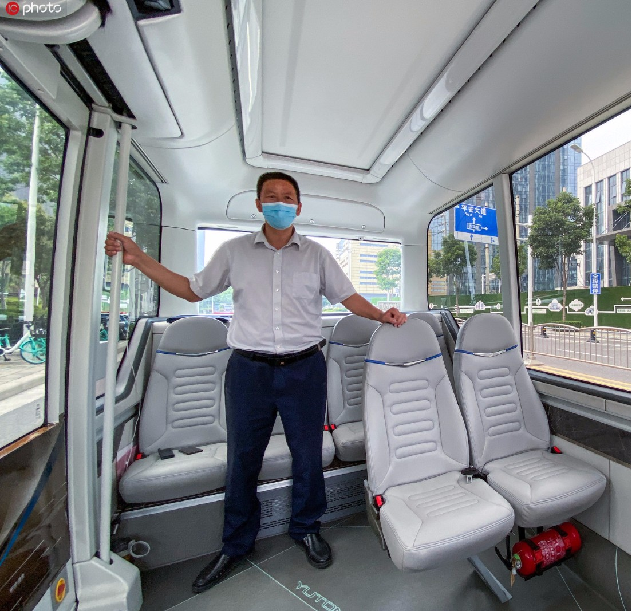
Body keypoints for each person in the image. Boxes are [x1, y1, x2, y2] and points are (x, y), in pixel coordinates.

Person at [104, 171, 406, 593]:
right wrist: (139, 259)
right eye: (271, 196)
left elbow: (347, 297)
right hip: (249, 371)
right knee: (243, 458)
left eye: (288, 197)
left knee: (308, 454)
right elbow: (191, 291)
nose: (280, 202)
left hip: (305, 368)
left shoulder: (317, 255)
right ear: (259, 204)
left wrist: (381, 315)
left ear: (298, 206)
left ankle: (306, 528)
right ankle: (236, 543)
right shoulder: (234, 252)